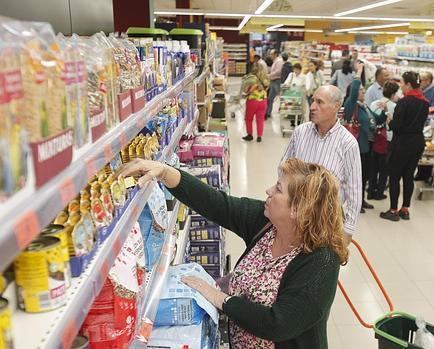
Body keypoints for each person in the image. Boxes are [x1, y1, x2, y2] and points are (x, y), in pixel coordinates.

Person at [118, 157, 348, 349]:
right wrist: (166, 173)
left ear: (298, 210)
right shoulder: (267, 223)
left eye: (278, 189)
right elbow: (217, 203)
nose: (268, 190)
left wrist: (221, 299)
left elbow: (277, 324)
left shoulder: (322, 261)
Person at [281, 85, 362, 244]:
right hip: (294, 214)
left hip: (326, 221)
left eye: (319, 102)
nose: (312, 107)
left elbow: (354, 189)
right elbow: (283, 168)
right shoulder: (300, 132)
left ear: (336, 106)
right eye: (313, 101)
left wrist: (348, 230)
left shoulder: (348, 143)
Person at [379, 71, 428, 222]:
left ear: (408, 84)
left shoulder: (404, 102)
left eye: (401, 83)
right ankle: (405, 209)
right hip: (418, 141)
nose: (400, 86)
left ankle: (393, 210)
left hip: (402, 143)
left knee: (394, 176)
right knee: (409, 176)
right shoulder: (425, 102)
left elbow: (396, 125)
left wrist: (389, 118)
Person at [344, 63, 386, 213]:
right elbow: (354, 91)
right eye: (361, 90)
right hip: (357, 147)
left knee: (364, 176)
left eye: (363, 90)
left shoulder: (365, 107)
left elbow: (377, 121)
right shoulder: (351, 105)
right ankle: (355, 203)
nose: (362, 92)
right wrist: (359, 73)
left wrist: (384, 112)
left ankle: (361, 200)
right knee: (356, 178)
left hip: (368, 147)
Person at [368, 81, 400, 200]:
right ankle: (379, 192)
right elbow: (392, 124)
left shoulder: (373, 103)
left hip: (374, 137)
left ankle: (370, 190)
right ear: (393, 94)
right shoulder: (395, 106)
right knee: (384, 168)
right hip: (387, 139)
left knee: (373, 166)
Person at [240, 62, 269, 143]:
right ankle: (259, 136)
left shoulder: (250, 78)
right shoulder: (265, 77)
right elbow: (266, 87)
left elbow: (246, 90)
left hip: (252, 101)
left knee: (248, 119)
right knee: (260, 120)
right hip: (263, 101)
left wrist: (247, 92)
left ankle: (250, 135)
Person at [266, 49, 284, 119]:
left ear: (275, 54)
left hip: (277, 81)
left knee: (280, 97)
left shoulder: (279, 61)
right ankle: (268, 112)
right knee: (270, 98)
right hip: (273, 81)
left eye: (271, 54)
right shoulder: (275, 61)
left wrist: (270, 75)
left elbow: (278, 71)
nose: (270, 56)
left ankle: (283, 111)